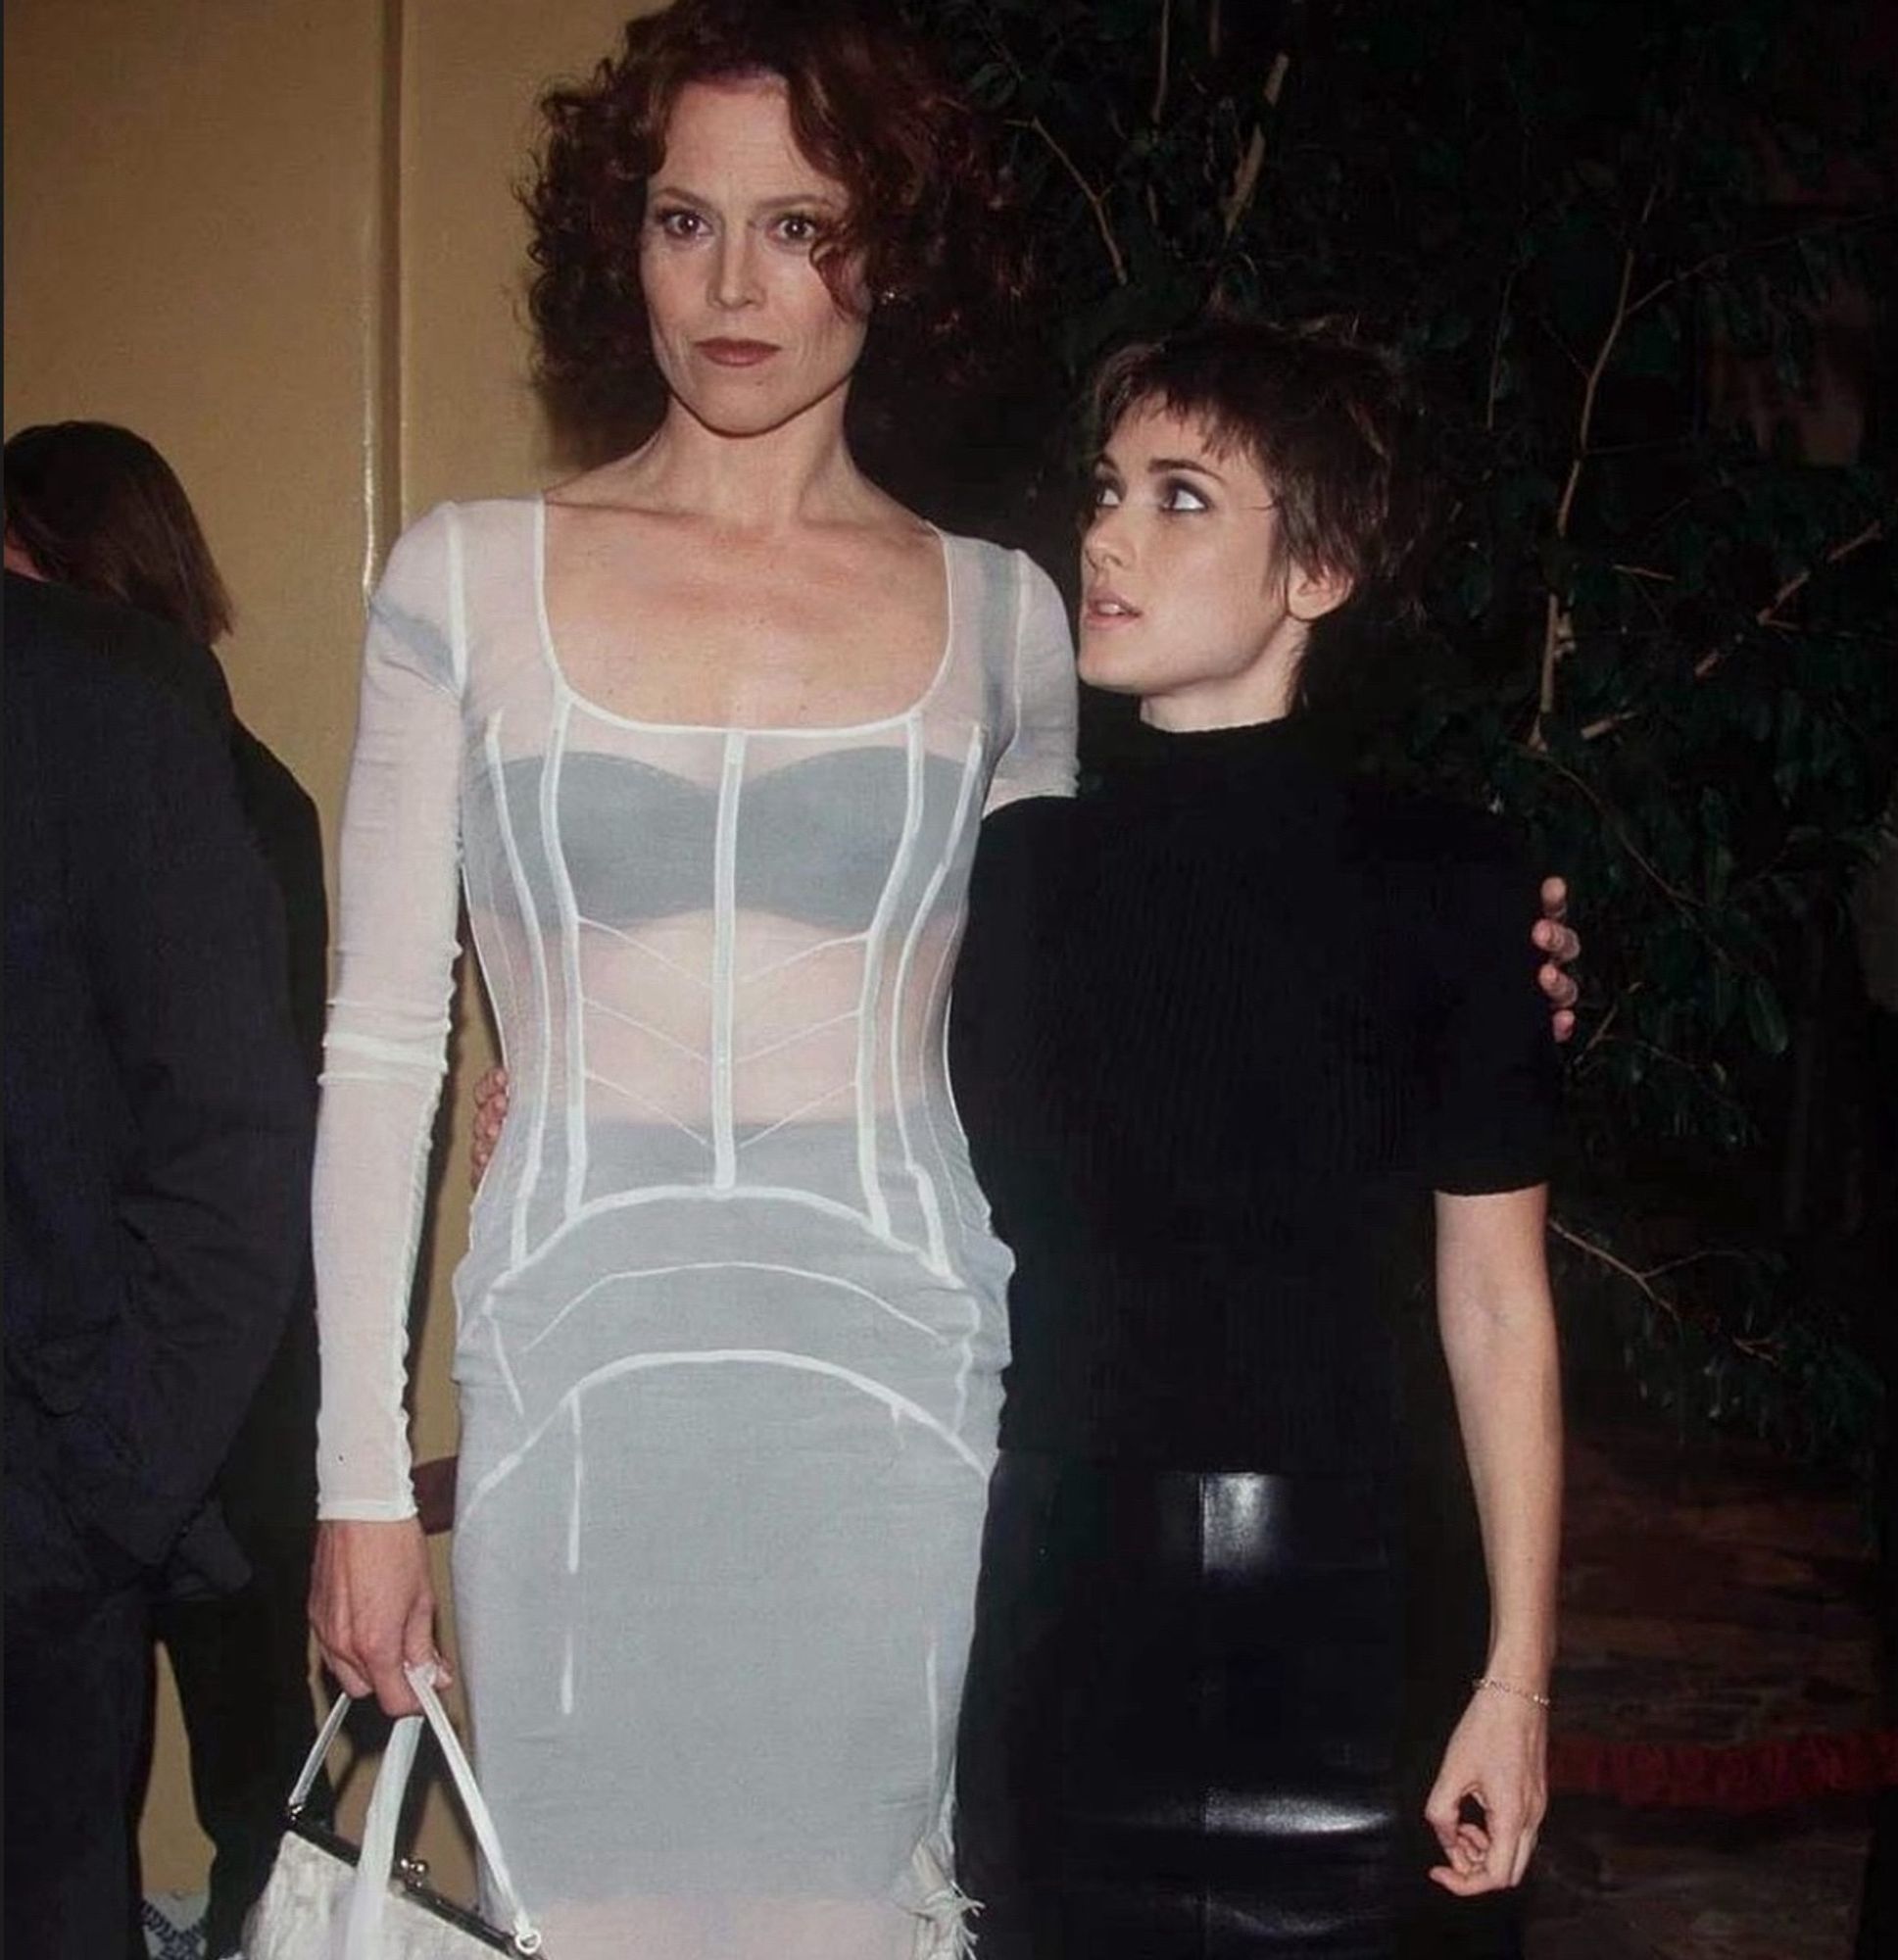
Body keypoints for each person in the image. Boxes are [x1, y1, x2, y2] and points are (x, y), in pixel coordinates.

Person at [306, 5, 1069, 1955]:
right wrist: (362, 1482)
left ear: (890, 250)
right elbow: (386, 1047)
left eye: (801, 225)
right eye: (682, 219)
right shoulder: (463, 577)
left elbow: (1101, 1015)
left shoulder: (1010, 618)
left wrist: (1466, 960)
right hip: (577, 1379)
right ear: (615, 241)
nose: (735, 286)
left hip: (903, 1381)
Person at [946, 318, 1563, 1957]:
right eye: (1103, 489)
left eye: (1181, 497)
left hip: (1362, 1634)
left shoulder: (1455, 880)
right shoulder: (1002, 877)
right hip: (1060, 1619)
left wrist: (1517, 1678)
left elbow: (1496, 1302)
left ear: (1323, 571)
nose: (1104, 536)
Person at [4, 418, 331, 1959]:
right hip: (180, 1379)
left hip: (203, 1374)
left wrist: (98, 1486)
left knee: (254, 1779)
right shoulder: (206, 756)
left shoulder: (189, 762)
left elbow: (248, 1124)